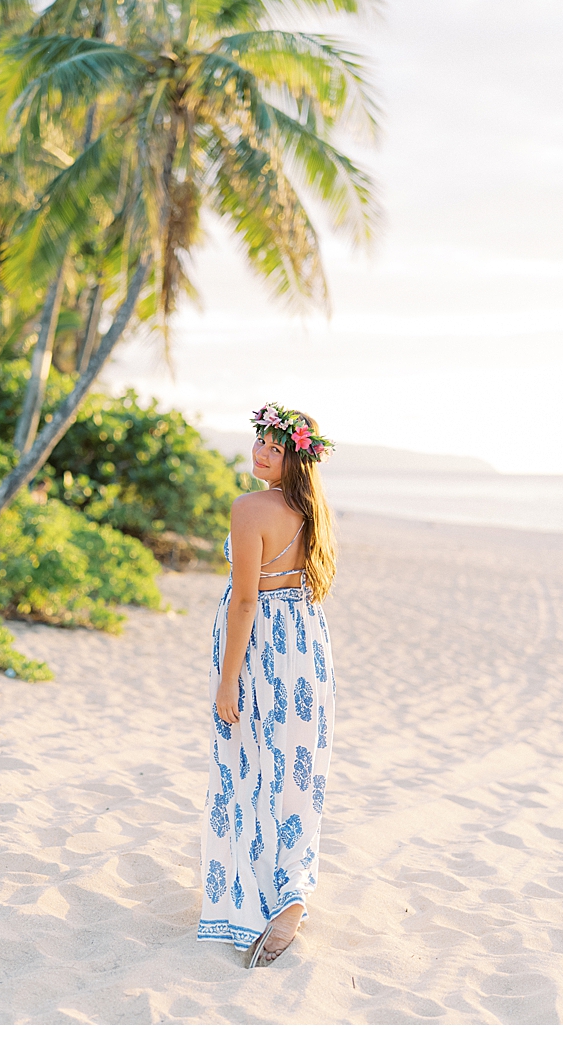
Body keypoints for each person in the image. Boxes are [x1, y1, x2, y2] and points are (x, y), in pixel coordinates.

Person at [197, 403, 337, 968]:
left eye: (274, 447)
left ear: (294, 459)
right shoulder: (314, 511)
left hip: (262, 650)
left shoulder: (250, 508)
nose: (259, 451)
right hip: (306, 646)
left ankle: (265, 900)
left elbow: (247, 600)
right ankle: (292, 889)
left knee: (251, 767)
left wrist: (228, 680)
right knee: (295, 772)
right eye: (259, 440)